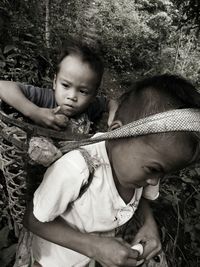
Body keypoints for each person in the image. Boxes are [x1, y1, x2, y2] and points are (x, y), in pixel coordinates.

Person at [23, 74, 200, 267]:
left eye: (163, 174)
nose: (154, 182)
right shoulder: (76, 170)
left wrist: (150, 225)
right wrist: (94, 247)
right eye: (153, 170)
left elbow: (141, 198)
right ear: (117, 134)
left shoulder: (143, 173)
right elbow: (33, 220)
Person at [0, 40, 114, 133]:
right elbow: (2, 86)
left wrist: (114, 114)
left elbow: (110, 102)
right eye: (65, 85)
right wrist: (35, 112)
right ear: (55, 82)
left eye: (83, 91)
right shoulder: (45, 97)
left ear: (94, 94)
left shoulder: (90, 106)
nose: (72, 96)